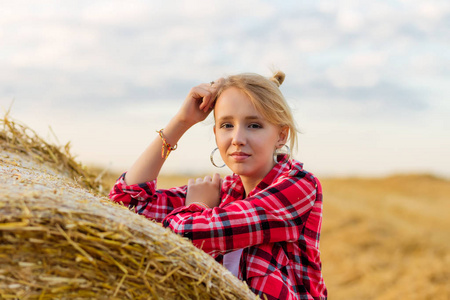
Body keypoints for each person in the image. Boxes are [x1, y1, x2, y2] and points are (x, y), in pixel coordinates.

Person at [109, 71, 327, 299]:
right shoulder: (221, 192)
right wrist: (180, 123)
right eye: (226, 125)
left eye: (254, 125)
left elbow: (187, 234)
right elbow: (126, 206)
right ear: (215, 133)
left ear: (281, 135)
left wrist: (197, 206)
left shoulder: (300, 186)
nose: (237, 138)